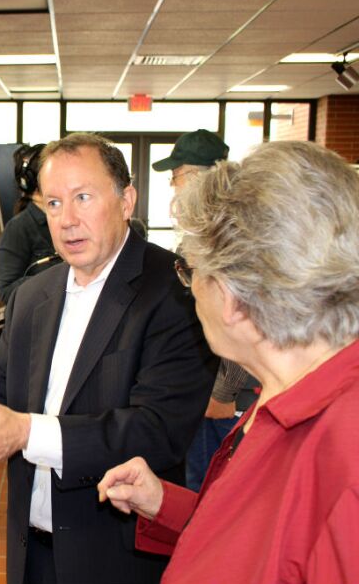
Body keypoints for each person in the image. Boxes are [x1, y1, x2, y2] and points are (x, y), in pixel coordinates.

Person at [0, 133, 217, 584]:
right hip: (29, 549)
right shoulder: (34, 294)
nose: (68, 220)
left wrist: (27, 431)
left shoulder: (173, 294)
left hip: (114, 556)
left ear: (127, 200)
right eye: (53, 204)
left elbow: (158, 430)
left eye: (83, 198)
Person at [98, 140, 359, 583]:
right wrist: (166, 503)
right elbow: (257, 543)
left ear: (234, 298)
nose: (190, 287)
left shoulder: (344, 462)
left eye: (192, 270)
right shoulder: (280, 396)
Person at [152, 128, 258, 491]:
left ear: (198, 177)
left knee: (209, 488)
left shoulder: (227, 235)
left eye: (176, 176)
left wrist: (222, 393)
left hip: (223, 395)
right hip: (207, 385)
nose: (172, 186)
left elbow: (238, 314)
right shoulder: (215, 228)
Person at [0, 143, 59, 304]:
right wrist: (58, 277)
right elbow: (7, 291)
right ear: (34, 182)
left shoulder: (66, 219)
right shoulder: (18, 228)